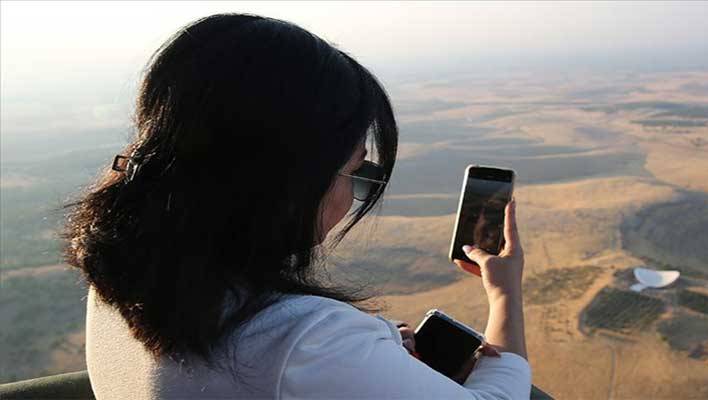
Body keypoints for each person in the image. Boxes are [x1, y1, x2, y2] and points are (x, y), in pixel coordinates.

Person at [64, 13, 531, 399]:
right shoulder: (308, 340)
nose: (351, 198)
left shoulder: (126, 273)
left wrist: (374, 358)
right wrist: (505, 292)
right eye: (353, 172)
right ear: (290, 178)